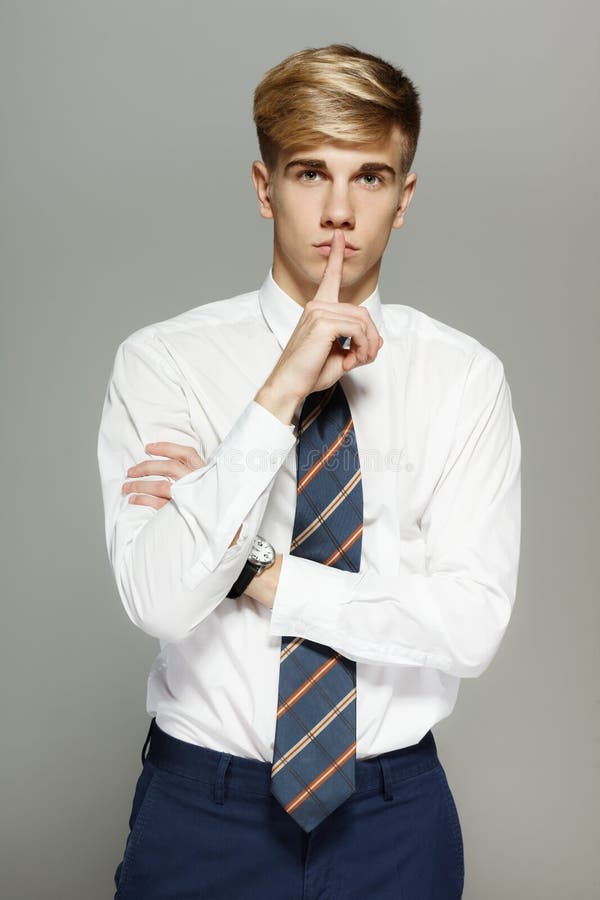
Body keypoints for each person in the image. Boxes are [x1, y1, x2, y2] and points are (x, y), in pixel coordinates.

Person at [97, 43, 521, 899]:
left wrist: (254, 569)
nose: (338, 210)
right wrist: (282, 387)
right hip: (202, 810)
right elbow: (161, 597)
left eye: (369, 176)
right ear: (264, 188)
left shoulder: (463, 376)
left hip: (393, 815)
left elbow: (471, 626)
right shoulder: (165, 362)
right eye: (308, 173)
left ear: (404, 199)